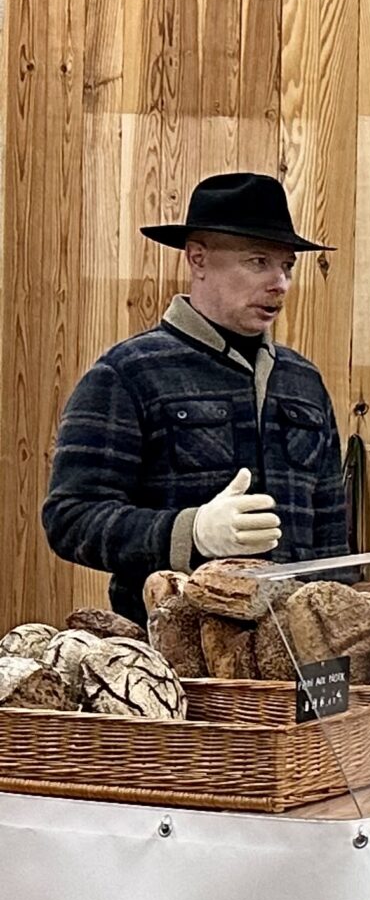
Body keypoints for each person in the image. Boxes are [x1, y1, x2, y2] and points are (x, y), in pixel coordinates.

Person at [44, 173, 349, 623]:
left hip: (294, 657)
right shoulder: (128, 373)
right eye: (258, 261)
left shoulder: (302, 380)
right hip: (170, 657)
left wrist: (338, 625)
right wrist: (191, 533)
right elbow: (71, 519)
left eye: (287, 266)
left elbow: (331, 531)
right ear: (198, 259)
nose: (279, 283)